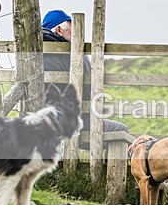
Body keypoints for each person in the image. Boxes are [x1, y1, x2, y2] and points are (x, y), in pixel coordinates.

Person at [42, 9, 129, 144]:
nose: (77, 35)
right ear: (59, 30)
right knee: (121, 130)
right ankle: (108, 165)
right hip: (73, 123)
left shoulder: (37, 51)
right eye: (72, 29)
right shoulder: (71, 54)